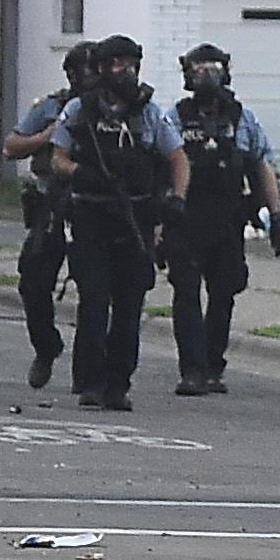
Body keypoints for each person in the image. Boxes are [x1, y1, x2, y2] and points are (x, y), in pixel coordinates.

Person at [48, 34, 189, 413]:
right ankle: (91, 382)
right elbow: (57, 159)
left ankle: (118, 383)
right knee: (94, 301)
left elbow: (177, 157)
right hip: (92, 216)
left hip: (134, 220)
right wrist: (82, 173)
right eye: (116, 64)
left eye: (131, 63)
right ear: (101, 68)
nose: (125, 71)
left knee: (129, 306)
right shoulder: (80, 110)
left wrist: (176, 199)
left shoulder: (148, 113)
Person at [168, 43, 280, 396]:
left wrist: (277, 216)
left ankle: (213, 365)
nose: (207, 76)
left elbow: (261, 164)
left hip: (227, 219)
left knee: (224, 294)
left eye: (214, 69)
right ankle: (192, 369)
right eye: (199, 70)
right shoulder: (174, 118)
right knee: (186, 294)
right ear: (188, 76)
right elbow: (165, 160)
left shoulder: (242, 119)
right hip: (186, 219)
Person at [3, 42, 94, 388]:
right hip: (51, 203)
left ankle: (88, 371)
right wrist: (47, 136)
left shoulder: (110, 110)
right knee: (34, 280)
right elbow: (11, 146)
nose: (83, 77)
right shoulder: (53, 107)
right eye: (76, 71)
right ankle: (46, 346)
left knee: (94, 288)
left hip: (91, 204)